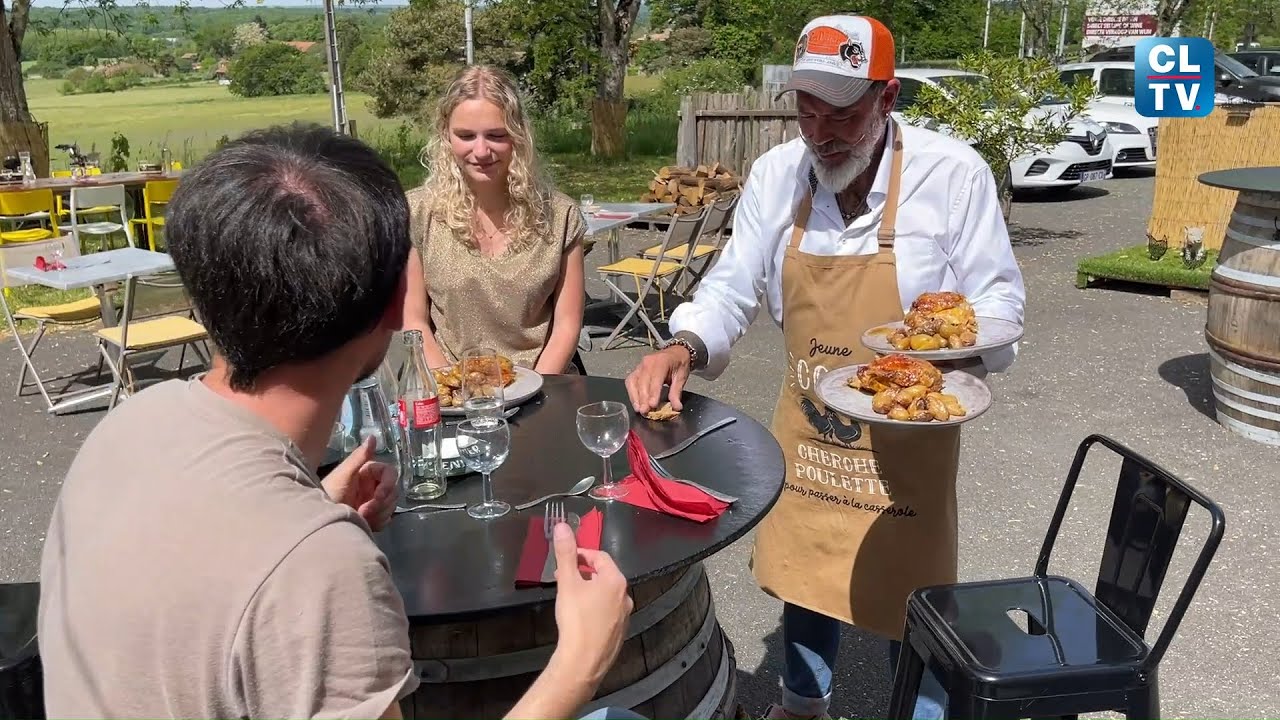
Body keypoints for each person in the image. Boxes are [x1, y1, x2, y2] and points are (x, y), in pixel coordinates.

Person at [37, 123, 635, 720]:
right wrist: (579, 661)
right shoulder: (320, 572)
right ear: (396, 302)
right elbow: (287, 573)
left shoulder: (125, 428)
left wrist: (314, 505)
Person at [624, 15, 1026, 720]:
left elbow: (1001, 300)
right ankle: (802, 702)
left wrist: (938, 348)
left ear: (887, 97)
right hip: (809, 421)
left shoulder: (951, 172)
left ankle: (921, 711)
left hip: (911, 437)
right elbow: (731, 283)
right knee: (806, 571)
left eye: (842, 112)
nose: (822, 132)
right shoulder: (776, 174)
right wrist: (682, 345)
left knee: (914, 590)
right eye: (807, 111)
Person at [402, 65, 587, 375]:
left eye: (496, 135)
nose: (481, 151)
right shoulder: (419, 213)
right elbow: (415, 322)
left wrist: (535, 392)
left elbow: (567, 326)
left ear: (518, 135)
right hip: (452, 389)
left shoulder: (560, 216)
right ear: (445, 136)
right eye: (466, 136)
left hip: (544, 387)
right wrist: (455, 391)